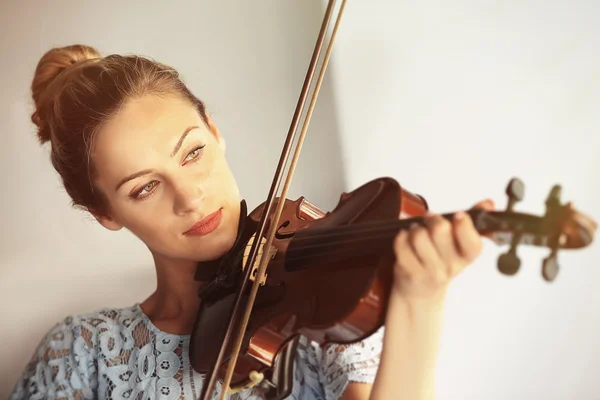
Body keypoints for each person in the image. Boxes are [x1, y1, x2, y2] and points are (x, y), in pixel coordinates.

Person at [10, 44, 493, 400]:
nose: (191, 195)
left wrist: (421, 301)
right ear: (105, 213)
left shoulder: (319, 307)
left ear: (216, 133)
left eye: (194, 152)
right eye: (144, 188)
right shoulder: (80, 352)